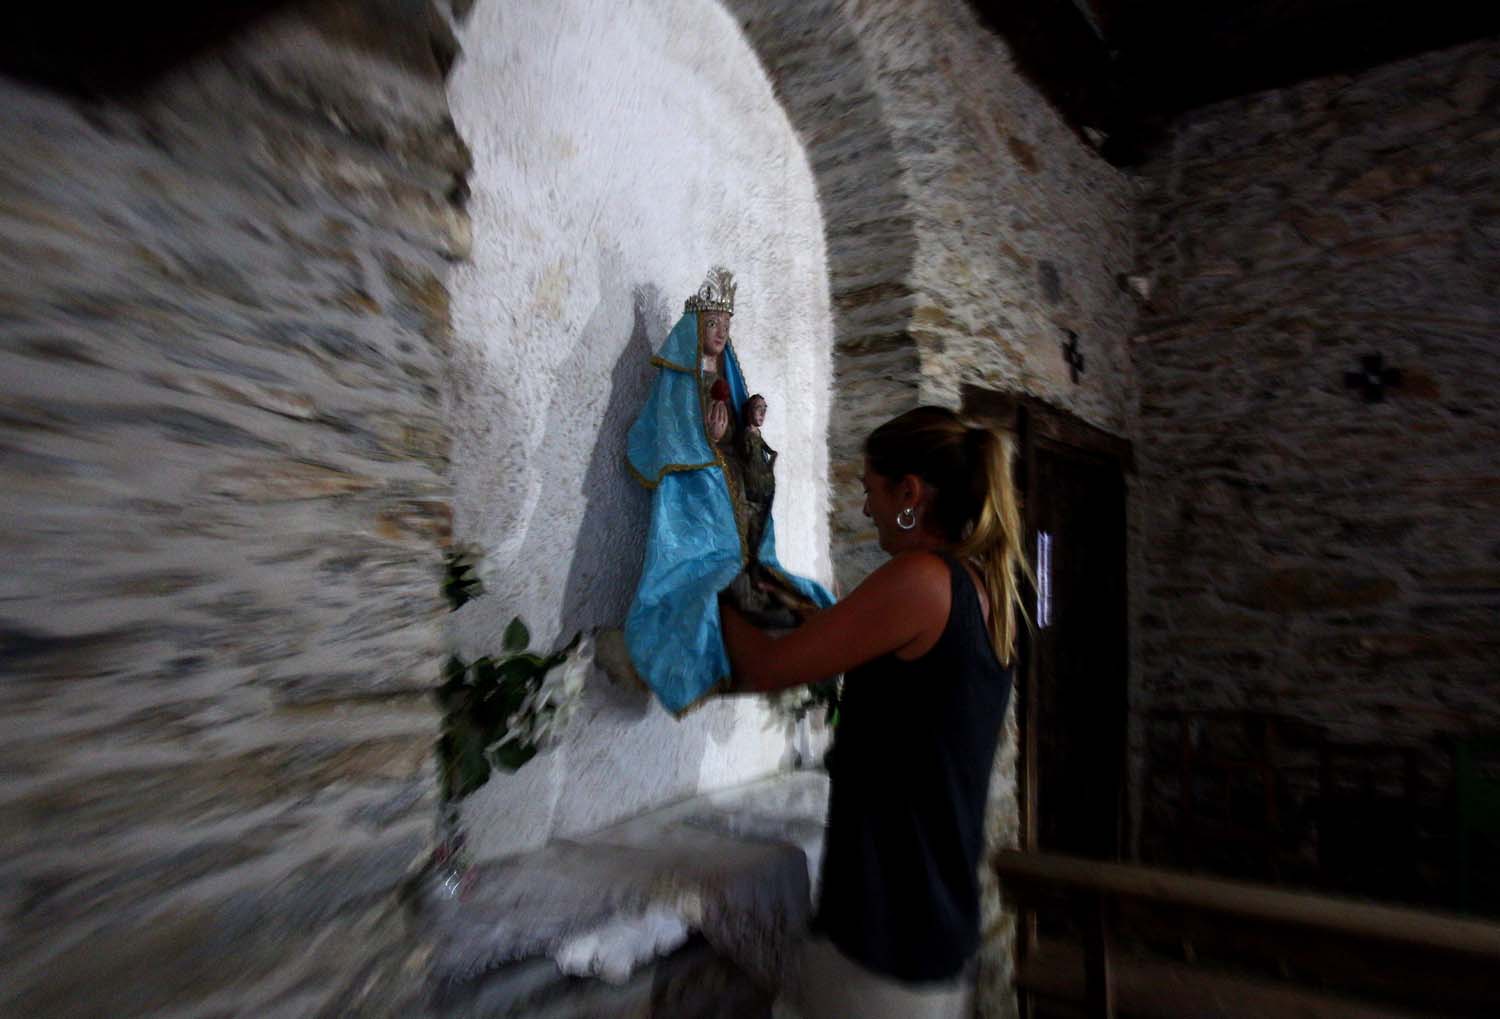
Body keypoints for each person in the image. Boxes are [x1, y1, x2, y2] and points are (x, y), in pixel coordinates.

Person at [719, 406, 1028, 1018]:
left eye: (871, 490)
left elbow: (766, 667)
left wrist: (711, 579)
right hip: (933, 918)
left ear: (909, 493)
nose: (866, 509)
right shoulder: (980, 585)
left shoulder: (921, 580)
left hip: (888, 930)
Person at [624, 267, 833, 715]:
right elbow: (673, 432)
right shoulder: (678, 377)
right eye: (713, 323)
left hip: (727, 476)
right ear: (696, 327)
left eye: (726, 325)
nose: (720, 333)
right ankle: (719, 599)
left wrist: (748, 428)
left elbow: (735, 436)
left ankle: (756, 585)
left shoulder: (725, 374)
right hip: (696, 486)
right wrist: (708, 440)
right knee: (711, 561)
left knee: (756, 512)